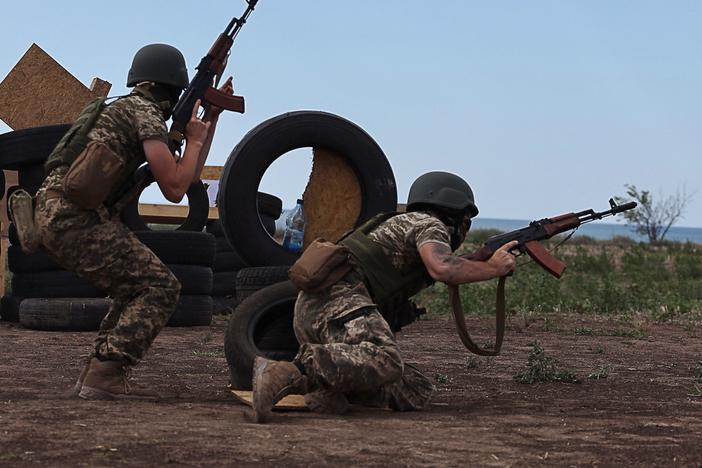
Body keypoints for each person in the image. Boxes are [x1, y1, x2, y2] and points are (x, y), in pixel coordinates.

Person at [31, 43, 232, 400]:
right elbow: (173, 188)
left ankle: (96, 374)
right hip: (74, 220)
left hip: (54, 215)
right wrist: (195, 139)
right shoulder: (146, 115)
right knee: (161, 287)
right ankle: (106, 372)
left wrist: (208, 122)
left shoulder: (123, 109)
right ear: (174, 85)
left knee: (133, 286)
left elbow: (187, 176)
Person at [251, 171, 518, 422]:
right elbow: (443, 267)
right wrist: (494, 268)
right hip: (340, 302)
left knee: (413, 389)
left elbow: (443, 264)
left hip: (317, 308)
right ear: (455, 211)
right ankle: (288, 373)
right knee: (386, 359)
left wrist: (479, 261)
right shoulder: (431, 225)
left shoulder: (405, 222)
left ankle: (329, 392)